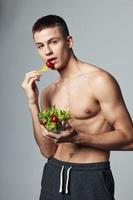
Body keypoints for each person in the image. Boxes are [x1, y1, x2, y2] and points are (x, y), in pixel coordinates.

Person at [22, 15, 133, 200]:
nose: (47, 51)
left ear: (69, 41)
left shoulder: (99, 81)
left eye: (53, 42)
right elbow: (48, 151)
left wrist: (78, 137)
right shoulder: (49, 92)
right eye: (40, 46)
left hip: (91, 177)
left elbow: (130, 139)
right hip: (53, 174)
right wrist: (32, 102)